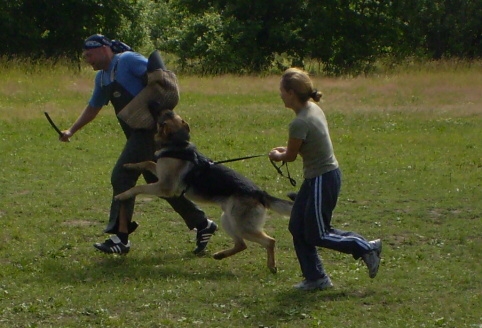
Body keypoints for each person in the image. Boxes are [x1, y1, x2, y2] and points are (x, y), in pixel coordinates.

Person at [59, 34, 217, 255]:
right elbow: (93, 107)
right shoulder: (103, 78)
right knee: (158, 182)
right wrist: (71, 130)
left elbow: (164, 80)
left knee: (122, 176)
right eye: (84, 56)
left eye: (89, 54)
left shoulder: (128, 60)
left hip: (150, 132)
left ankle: (120, 238)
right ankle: (203, 224)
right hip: (136, 133)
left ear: (104, 49)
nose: (87, 59)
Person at [268, 68, 382, 291]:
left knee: (317, 233)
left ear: (291, 93)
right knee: (298, 226)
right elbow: (309, 145)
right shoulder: (312, 108)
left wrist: (277, 155)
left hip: (323, 179)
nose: (280, 94)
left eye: (281, 90)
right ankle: (316, 278)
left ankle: (365, 247)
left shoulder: (299, 122)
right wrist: (289, 149)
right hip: (317, 178)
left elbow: (290, 156)